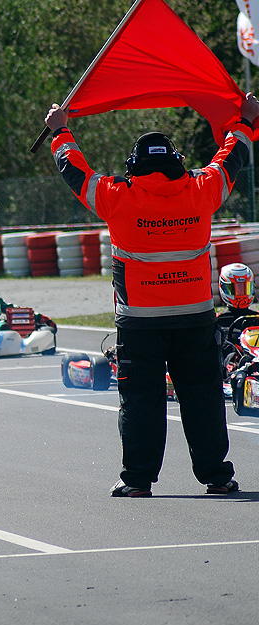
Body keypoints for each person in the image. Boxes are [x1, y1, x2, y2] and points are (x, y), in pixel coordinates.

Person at [44, 94, 259, 496]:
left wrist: (60, 131)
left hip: (140, 320)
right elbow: (233, 158)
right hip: (195, 317)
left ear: (133, 166)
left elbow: (74, 171)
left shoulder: (117, 195)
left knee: (141, 400)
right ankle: (217, 476)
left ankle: (138, 481)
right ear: (177, 162)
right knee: (203, 399)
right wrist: (245, 121)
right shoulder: (201, 189)